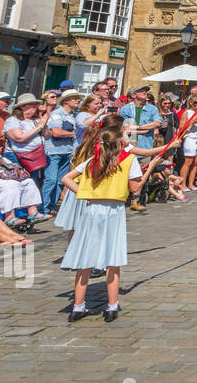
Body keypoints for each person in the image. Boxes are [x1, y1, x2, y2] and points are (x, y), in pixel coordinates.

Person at [61, 121, 170, 322]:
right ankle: (111, 306)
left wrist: (85, 193)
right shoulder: (128, 161)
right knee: (113, 259)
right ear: (120, 142)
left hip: (91, 210)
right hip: (114, 211)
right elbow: (136, 189)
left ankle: (78, 306)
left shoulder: (94, 159)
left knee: (85, 259)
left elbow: (66, 178)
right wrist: (152, 166)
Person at [3, 94, 50, 220]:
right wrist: (39, 126)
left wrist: (43, 124)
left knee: (32, 183)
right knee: (18, 183)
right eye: (33, 104)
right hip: (16, 156)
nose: (36, 107)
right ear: (23, 106)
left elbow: (48, 136)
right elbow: (19, 138)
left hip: (35, 156)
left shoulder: (34, 121)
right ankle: (13, 214)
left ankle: (31, 212)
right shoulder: (12, 120)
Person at [40, 89, 81, 217]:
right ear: (66, 101)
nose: (78, 100)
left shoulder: (73, 115)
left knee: (60, 181)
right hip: (53, 152)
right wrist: (75, 134)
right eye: (74, 98)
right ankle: (43, 208)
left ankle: (51, 206)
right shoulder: (57, 113)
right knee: (50, 180)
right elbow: (56, 133)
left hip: (67, 151)